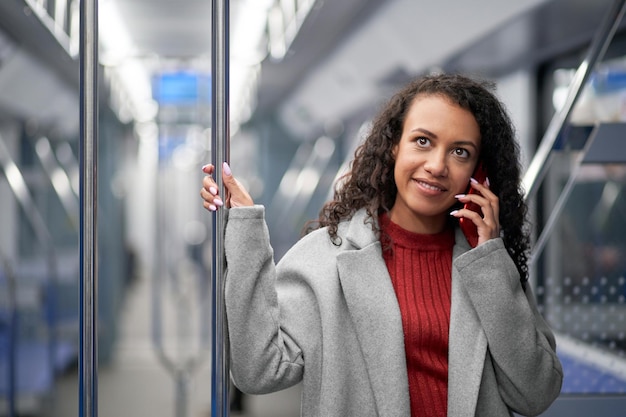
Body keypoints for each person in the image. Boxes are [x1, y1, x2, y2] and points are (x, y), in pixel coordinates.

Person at [200, 73, 563, 417]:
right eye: (423, 141)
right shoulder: (328, 257)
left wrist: (489, 260)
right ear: (393, 147)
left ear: (478, 173)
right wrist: (245, 225)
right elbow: (258, 371)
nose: (437, 166)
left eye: (460, 152)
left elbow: (535, 393)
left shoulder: (488, 268)